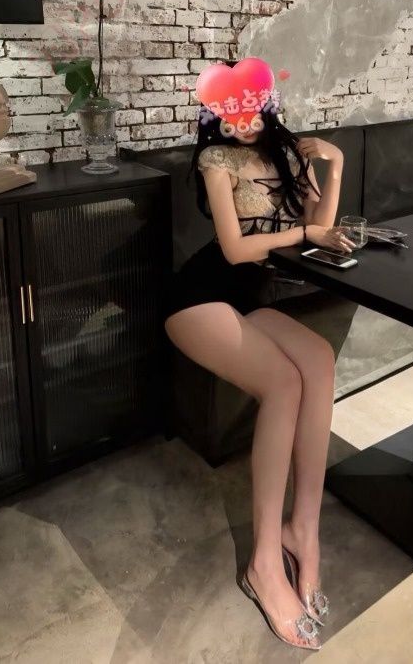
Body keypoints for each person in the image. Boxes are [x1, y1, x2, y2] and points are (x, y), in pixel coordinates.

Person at [165, 100, 353, 651]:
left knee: (318, 359)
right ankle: (264, 563)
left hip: (249, 301)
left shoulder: (289, 156)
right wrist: (301, 235)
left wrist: (335, 165)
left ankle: (304, 531)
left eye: (249, 112)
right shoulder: (217, 161)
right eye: (228, 116)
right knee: (283, 383)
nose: (241, 125)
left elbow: (320, 228)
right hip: (198, 297)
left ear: (266, 108)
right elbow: (233, 248)